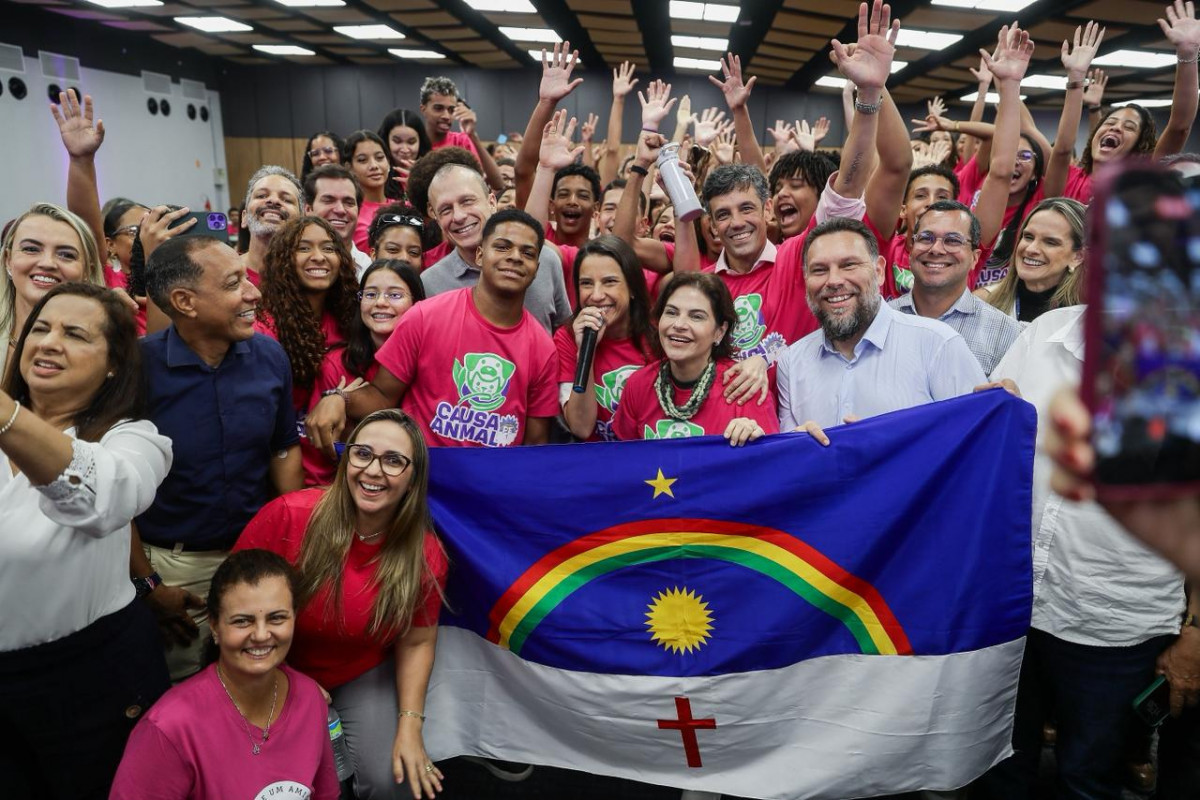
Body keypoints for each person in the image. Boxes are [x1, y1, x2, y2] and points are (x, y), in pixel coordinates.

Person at [975, 304, 1192, 800]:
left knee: (1088, 779)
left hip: (1113, 622)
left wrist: (1197, 630)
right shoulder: (1046, 333)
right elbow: (993, 423)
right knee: (1000, 766)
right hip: (1015, 604)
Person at [0, 282, 171, 799]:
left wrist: (7, 416)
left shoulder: (132, 439)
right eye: (41, 328)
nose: (49, 342)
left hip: (89, 677)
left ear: (114, 364)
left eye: (74, 334)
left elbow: (103, 500)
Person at [236, 410, 448, 800]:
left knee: (395, 780)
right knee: (279, 783)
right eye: (362, 454)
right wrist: (284, 679)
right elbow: (233, 611)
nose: (373, 470)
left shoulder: (425, 553)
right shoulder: (289, 516)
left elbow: (417, 641)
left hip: (357, 672)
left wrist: (410, 726)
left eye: (393, 460)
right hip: (266, 665)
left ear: (413, 478)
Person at [137, 236, 303, 681]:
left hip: (258, 555)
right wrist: (149, 585)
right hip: (175, 571)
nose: (254, 293)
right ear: (185, 302)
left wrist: (290, 549)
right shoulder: (138, 369)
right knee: (181, 690)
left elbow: (283, 449)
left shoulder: (269, 356)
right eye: (234, 283)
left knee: (262, 681)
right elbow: (116, 495)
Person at [305, 208, 559, 454]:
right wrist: (339, 399)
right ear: (480, 255)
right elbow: (382, 395)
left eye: (527, 253)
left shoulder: (543, 348)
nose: (515, 257)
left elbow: (535, 447)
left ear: (536, 268)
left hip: (494, 481)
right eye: (502, 247)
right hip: (424, 478)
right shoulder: (425, 316)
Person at [110, 549, 339, 800]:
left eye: (277, 618)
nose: (261, 635)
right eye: (242, 621)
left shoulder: (310, 698)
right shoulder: (170, 727)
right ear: (215, 626)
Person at [776, 217, 985, 435]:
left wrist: (888, 445)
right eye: (819, 270)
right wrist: (799, 445)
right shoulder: (792, 363)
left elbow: (977, 440)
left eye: (849, 265)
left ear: (879, 271)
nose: (834, 281)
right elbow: (788, 450)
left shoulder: (938, 345)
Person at [1043, 7, 1200, 204]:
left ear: (1139, 147)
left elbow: (1179, 128)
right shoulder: (1070, 178)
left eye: (1129, 127)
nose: (1116, 127)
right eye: (1110, 123)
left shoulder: (1139, 183)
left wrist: (1187, 54)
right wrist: (1076, 78)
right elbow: (1062, 150)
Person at [612, 271, 778, 444]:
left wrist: (753, 440)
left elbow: (773, 457)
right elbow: (624, 457)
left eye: (696, 316)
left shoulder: (746, 387)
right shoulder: (638, 385)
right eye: (671, 312)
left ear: (719, 332)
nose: (679, 324)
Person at [303, 259, 425, 486]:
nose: (380, 302)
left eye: (394, 295)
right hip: (345, 490)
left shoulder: (429, 363)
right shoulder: (337, 364)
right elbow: (316, 459)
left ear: (418, 304)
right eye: (370, 294)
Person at [421, 163, 570, 333]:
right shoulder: (430, 283)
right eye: (446, 210)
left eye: (467, 201)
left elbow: (564, 336)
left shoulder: (546, 260)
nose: (459, 216)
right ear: (436, 217)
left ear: (492, 202)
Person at [892, 200, 1021, 376]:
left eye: (952, 240)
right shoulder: (880, 320)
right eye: (926, 238)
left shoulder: (1005, 333)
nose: (936, 249)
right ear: (911, 249)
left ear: (975, 258)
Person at [556, 236, 656, 441]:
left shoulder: (659, 337)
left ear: (632, 288)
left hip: (648, 458)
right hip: (594, 459)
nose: (597, 295)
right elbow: (581, 427)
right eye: (586, 283)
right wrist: (586, 350)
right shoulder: (567, 338)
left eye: (609, 282)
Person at [256, 216, 358, 415]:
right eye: (303, 248)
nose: (319, 257)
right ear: (283, 260)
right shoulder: (263, 329)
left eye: (328, 248)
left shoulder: (349, 319)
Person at [0, 203, 105, 382]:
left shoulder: (107, 349)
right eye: (31, 249)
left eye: (66, 255)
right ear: (8, 260)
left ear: (87, 271)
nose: (47, 263)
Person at [980, 197, 1086, 323]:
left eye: (1050, 242)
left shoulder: (1085, 322)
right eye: (1028, 237)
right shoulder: (983, 302)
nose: (1031, 249)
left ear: (1078, 257)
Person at [418, 76, 505, 192]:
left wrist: (472, 135)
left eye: (451, 110)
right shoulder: (413, 143)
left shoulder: (461, 141)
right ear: (423, 109)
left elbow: (498, 184)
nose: (446, 116)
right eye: (438, 108)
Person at [303, 163, 372, 277]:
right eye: (328, 200)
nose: (340, 210)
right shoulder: (290, 265)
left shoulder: (369, 270)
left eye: (348, 202)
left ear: (358, 211)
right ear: (308, 209)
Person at [241, 165, 304, 285]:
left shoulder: (311, 277)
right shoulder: (221, 271)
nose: (273, 200)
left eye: (286, 199)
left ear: (302, 221)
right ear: (244, 217)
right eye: (261, 196)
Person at [344, 130, 392, 254]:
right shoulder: (348, 213)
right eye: (362, 160)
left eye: (380, 158)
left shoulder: (406, 206)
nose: (374, 165)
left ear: (388, 162)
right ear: (349, 167)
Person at [377, 108, 431, 198]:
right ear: (386, 141)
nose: (405, 149)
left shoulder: (433, 172)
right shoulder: (377, 173)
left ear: (421, 142)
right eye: (397, 141)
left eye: (411, 142)